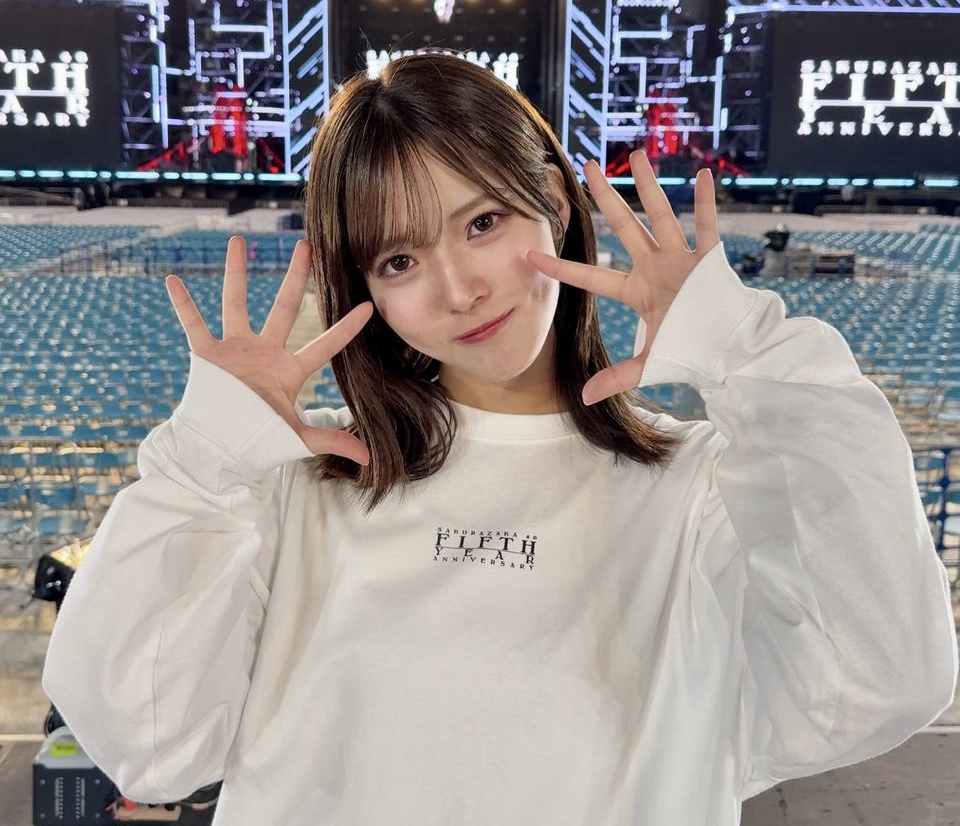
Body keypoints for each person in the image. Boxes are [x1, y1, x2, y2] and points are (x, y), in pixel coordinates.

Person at [43, 52, 957, 826]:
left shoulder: (704, 492)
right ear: (366, 288)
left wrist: (750, 354)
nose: (459, 289)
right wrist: (203, 464)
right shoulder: (291, 490)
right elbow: (150, 744)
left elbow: (881, 683)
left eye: (482, 223)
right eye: (400, 260)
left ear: (552, 199)